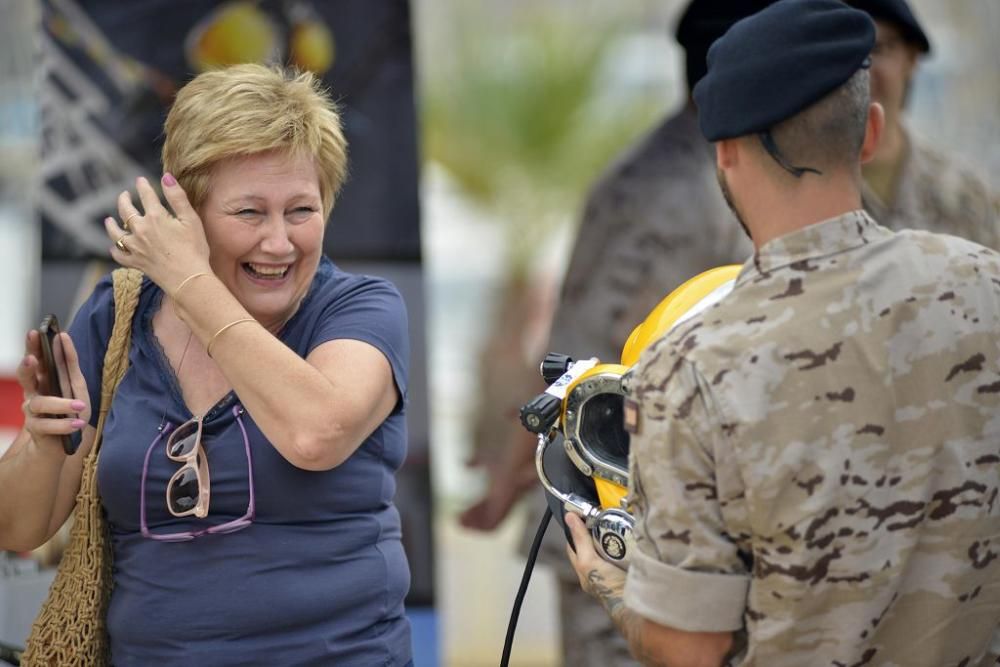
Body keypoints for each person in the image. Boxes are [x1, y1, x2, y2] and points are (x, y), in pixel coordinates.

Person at [566, 1, 1000, 664]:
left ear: (726, 152)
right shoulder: (985, 283)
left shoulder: (687, 367)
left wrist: (606, 578)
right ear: (870, 133)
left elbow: (690, 647)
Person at [0, 64, 413, 666]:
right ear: (183, 209)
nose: (279, 242)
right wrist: (43, 438)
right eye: (250, 213)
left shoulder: (360, 308)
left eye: (301, 210)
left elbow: (315, 432)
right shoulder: (115, 317)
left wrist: (189, 279)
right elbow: (18, 529)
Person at [847, 0, 1000, 245]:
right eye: (848, 50)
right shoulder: (801, 190)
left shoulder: (963, 194)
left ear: (911, 58)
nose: (863, 68)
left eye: (879, 49)